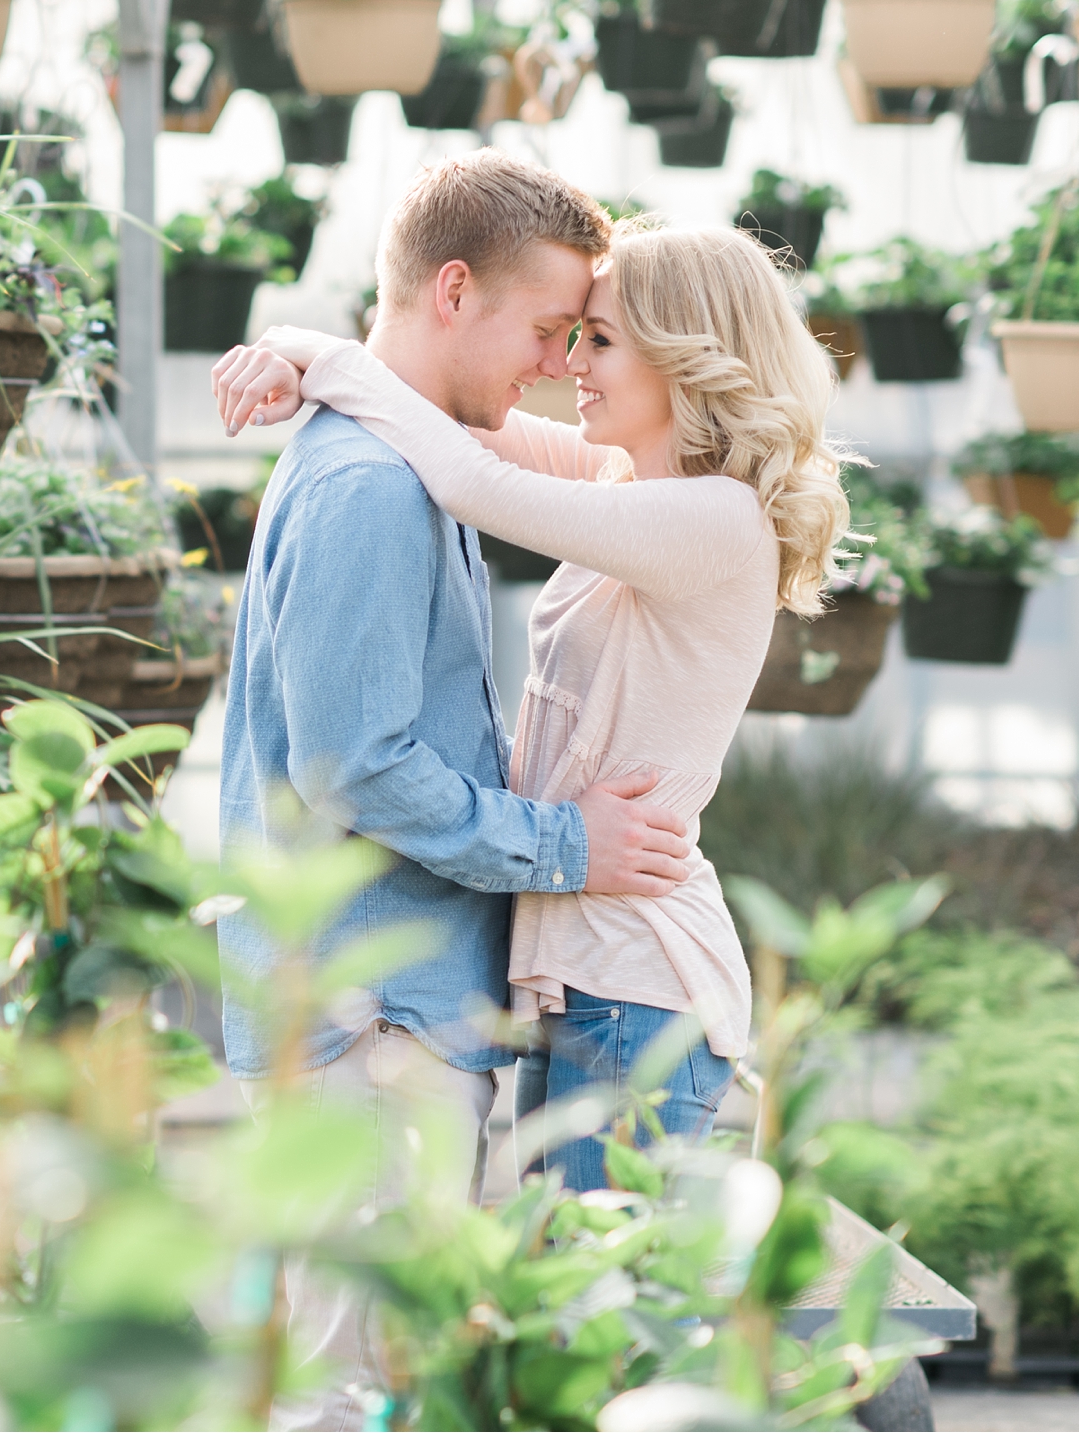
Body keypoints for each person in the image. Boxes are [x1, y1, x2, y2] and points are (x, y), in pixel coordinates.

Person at [215, 209, 854, 1216]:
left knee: (591, 1319)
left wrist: (322, 356)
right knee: (557, 1308)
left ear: (686, 357)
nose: (570, 366)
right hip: (578, 967)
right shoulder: (625, 476)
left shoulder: (715, 520)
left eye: (598, 340)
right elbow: (443, 408)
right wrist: (299, 354)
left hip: (638, 979)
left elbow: (468, 475)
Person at [210, 152, 703, 1432]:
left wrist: (306, 345)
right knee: (353, 1382)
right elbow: (353, 765)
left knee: (364, 1371)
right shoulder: (376, 487)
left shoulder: (407, 462)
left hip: (374, 1012)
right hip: (375, 1020)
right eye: (547, 329)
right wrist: (563, 845)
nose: (555, 362)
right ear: (449, 291)